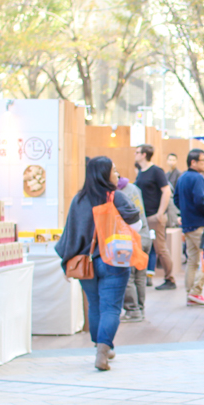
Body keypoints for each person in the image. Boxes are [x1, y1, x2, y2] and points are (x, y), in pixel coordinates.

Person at [56, 157, 139, 371]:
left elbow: (70, 232)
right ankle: (104, 349)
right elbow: (136, 225)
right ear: (104, 174)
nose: (117, 174)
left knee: (94, 305)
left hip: (86, 263)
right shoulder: (116, 197)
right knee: (111, 307)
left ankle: (100, 346)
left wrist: (67, 261)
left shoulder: (79, 199)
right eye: (114, 170)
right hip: (114, 260)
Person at [135, 144, 175, 290]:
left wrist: (160, 212)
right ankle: (146, 276)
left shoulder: (156, 171)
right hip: (144, 217)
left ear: (144, 154)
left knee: (160, 249)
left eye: (137, 152)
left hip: (154, 217)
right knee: (148, 247)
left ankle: (170, 278)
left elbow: (166, 191)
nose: (135, 154)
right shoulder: (141, 172)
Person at [175, 149, 204, 307]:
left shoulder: (182, 177)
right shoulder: (197, 178)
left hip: (188, 224)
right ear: (193, 162)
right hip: (199, 224)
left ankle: (191, 293)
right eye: (202, 160)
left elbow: (176, 199)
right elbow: (200, 201)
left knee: (192, 260)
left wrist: (185, 212)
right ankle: (195, 292)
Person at [116, 176, 149, 322]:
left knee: (128, 277)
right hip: (145, 235)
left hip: (131, 240)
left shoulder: (118, 194)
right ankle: (140, 309)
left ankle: (132, 310)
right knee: (140, 276)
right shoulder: (134, 188)